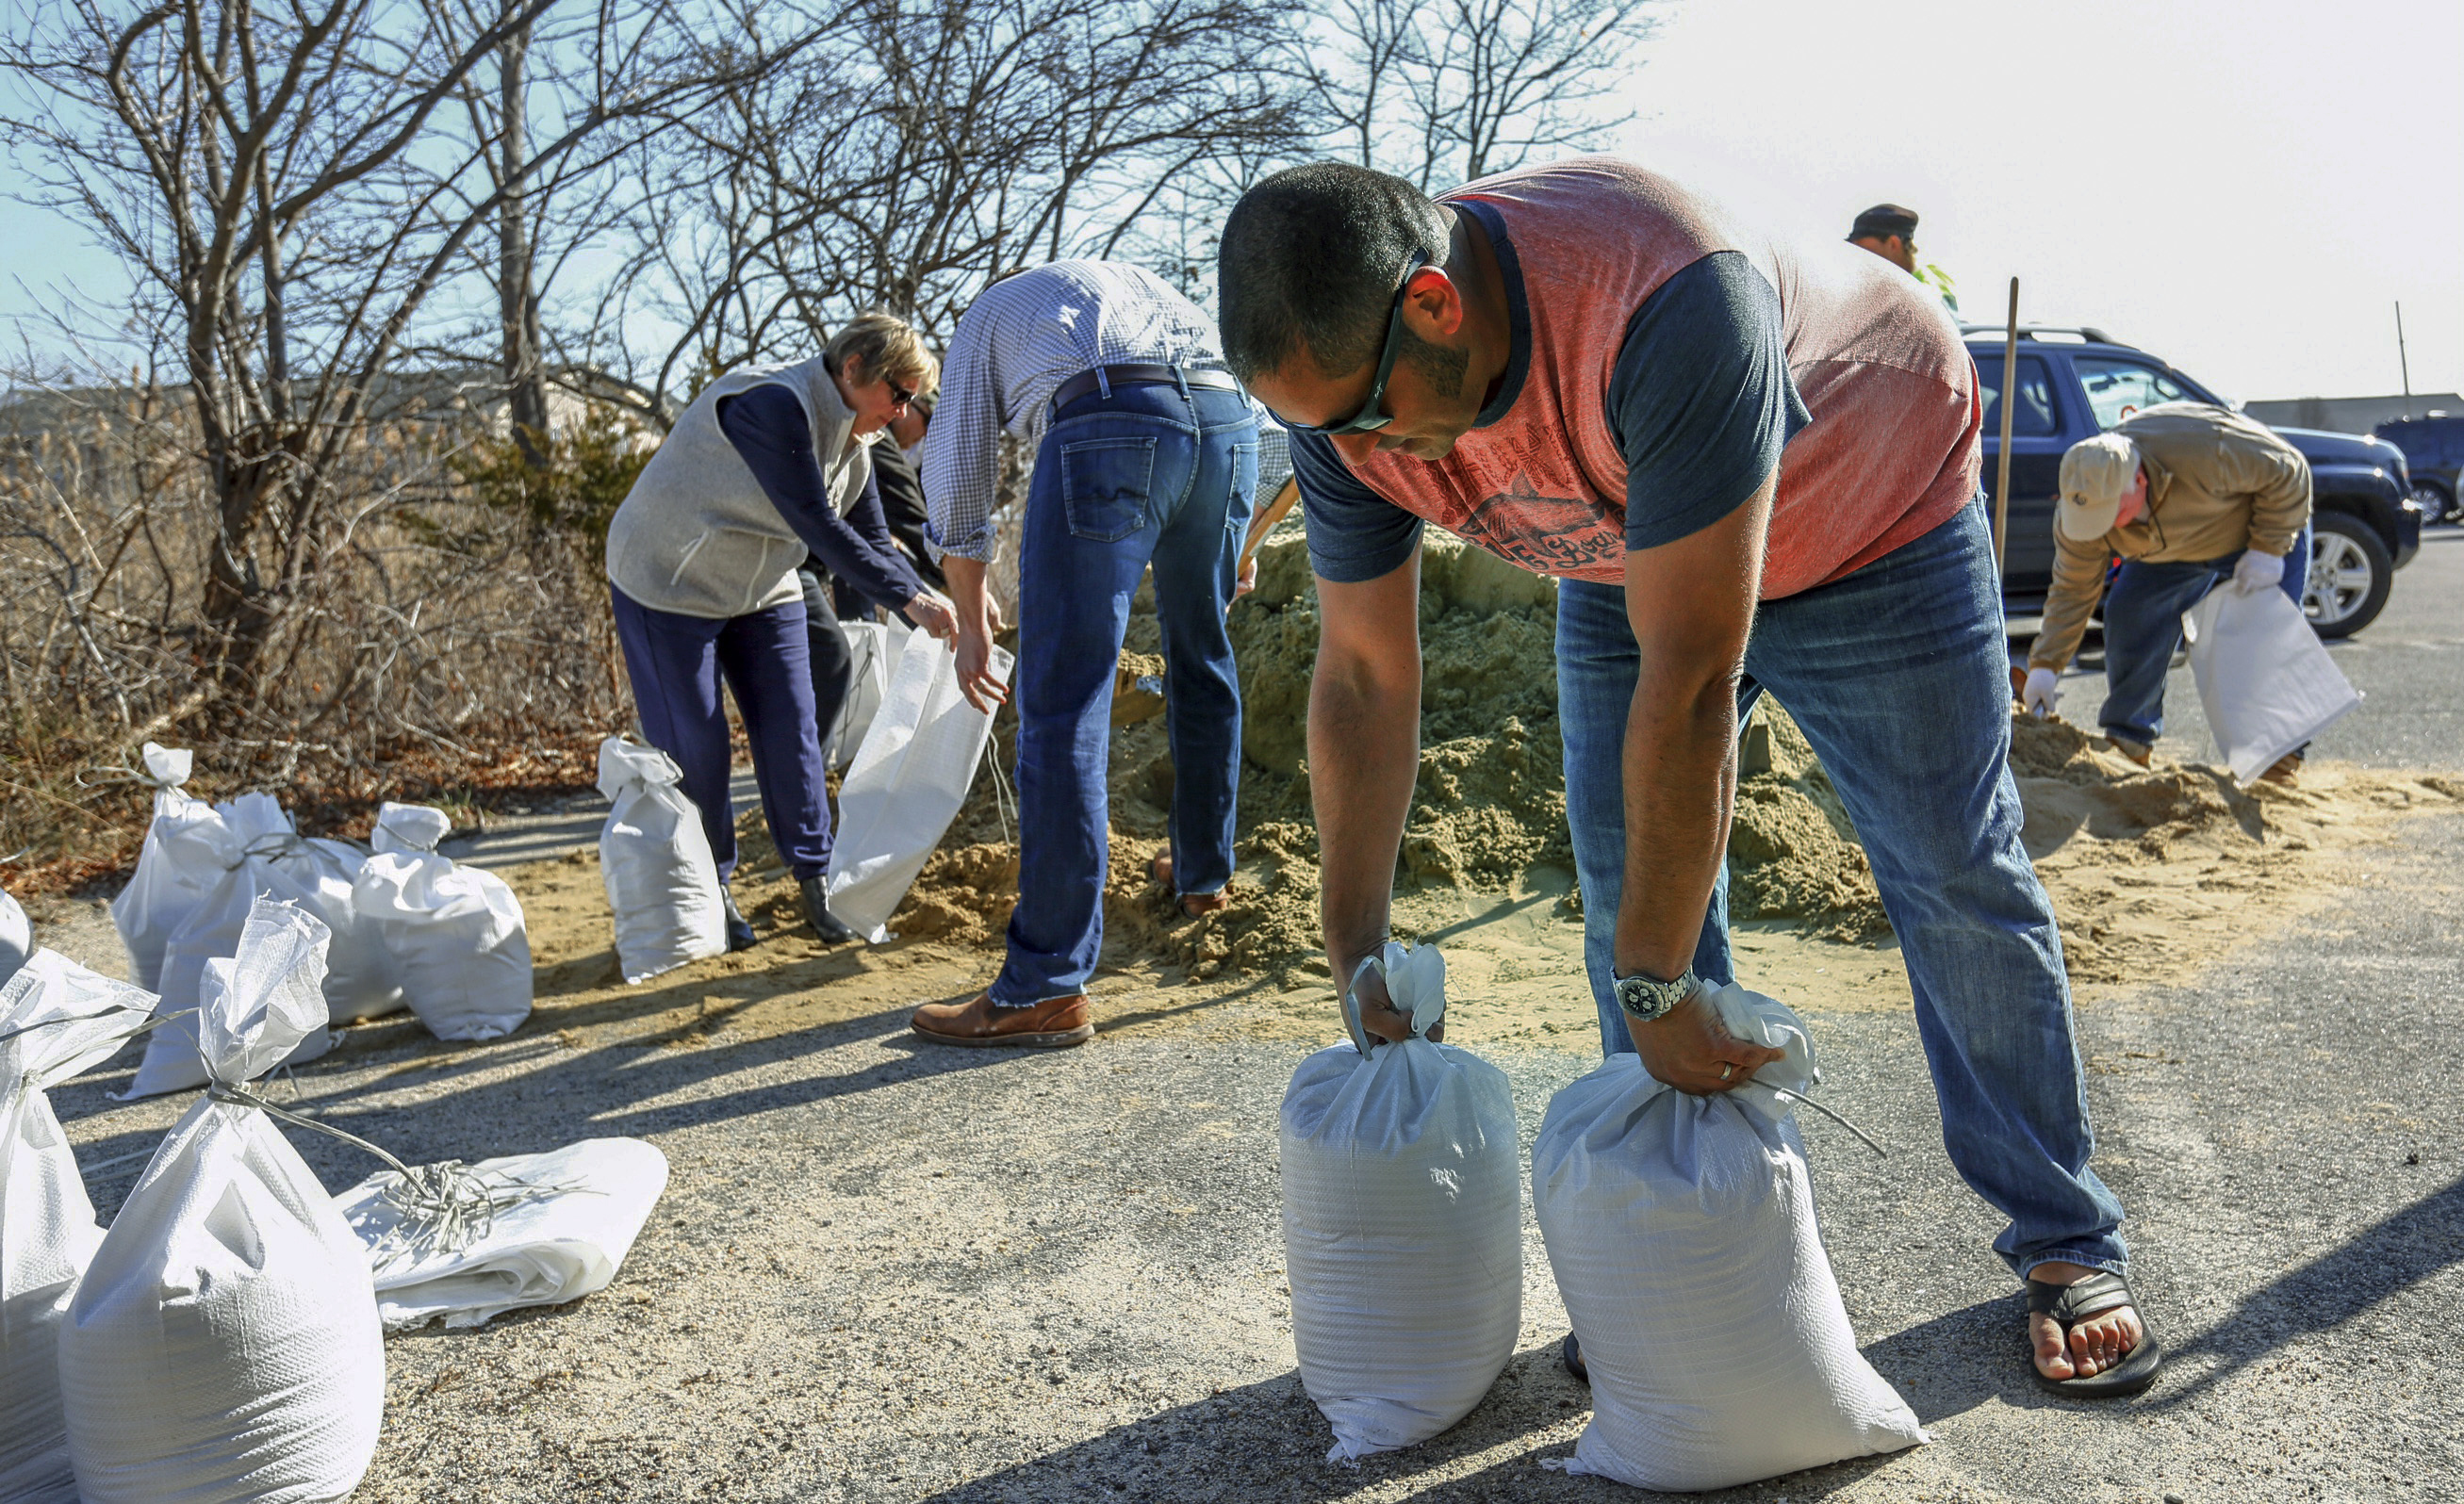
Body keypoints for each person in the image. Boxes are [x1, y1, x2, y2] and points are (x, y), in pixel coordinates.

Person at [1217, 156, 2158, 1396]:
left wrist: (1662, 993)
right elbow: (1363, 679)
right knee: (1625, 901)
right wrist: (1355, 950)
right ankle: (1677, 1254)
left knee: (1947, 868)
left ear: (1434, 304)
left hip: (1870, 515)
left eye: (1362, 417)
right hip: (1620, 544)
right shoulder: (1345, 401)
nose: (1357, 453)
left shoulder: (1658, 297)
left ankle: (2060, 1237)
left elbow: (1690, 679)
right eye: (1316, 430)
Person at [908, 261, 1262, 1050]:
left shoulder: (989, 313)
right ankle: (1205, 877)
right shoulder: (1148, 289)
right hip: (1229, 424)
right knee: (1202, 658)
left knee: (1065, 698)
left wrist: (970, 620)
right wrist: (1239, 539)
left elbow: (958, 467)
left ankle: (1045, 984)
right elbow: (1256, 414)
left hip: (1110, 426)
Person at [604, 313, 959, 950]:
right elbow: (817, 523)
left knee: (793, 727)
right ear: (853, 369)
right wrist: (910, 601)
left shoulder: (861, 433)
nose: (905, 411)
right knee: (698, 746)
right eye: (899, 394)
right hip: (668, 582)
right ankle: (711, 886)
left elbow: (873, 538)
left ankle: (816, 881)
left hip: (762, 584)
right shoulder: (772, 405)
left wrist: (935, 592)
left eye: (913, 398)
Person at [2021, 405, 2313, 776]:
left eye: (2111, 513)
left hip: (2253, 531)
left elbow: (2290, 470)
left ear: (2139, 482)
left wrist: (2267, 549)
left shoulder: (2209, 450)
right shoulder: (2081, 516)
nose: (2102, 527)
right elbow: (2073, 589)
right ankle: (2130, 736)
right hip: (2167, 551)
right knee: (2130, 613)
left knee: (2264, 630)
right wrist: (2046, 665)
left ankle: (2280, 750)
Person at [1848, 202, 1956, 313]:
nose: (1858, 258)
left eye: (1865, 250)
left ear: (1893, 244)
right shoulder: (1935, 276)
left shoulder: (1920, 291)